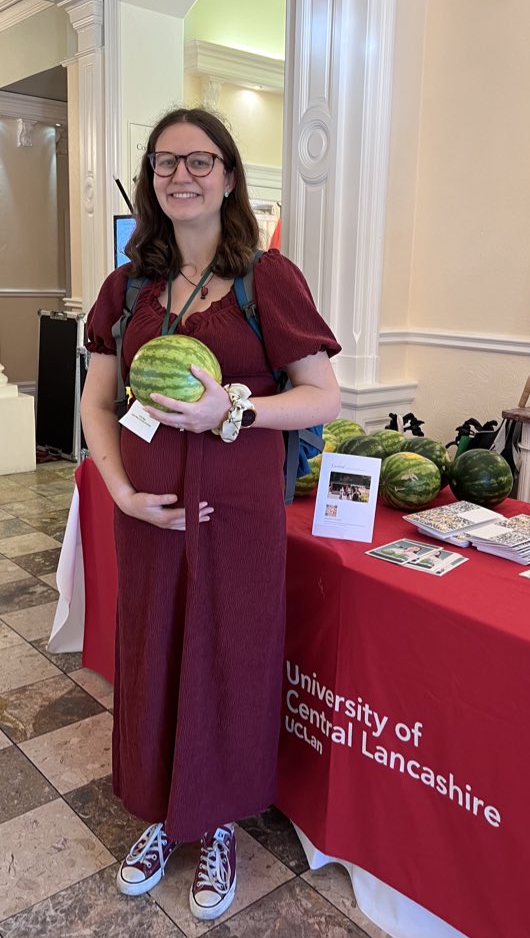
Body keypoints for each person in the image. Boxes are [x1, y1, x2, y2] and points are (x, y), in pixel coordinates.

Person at [80, 107, 341, 922]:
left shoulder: (270, 280)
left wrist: (233, 408)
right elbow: (97, 400)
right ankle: (161, 815)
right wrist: (120, 491)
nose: (180, 176)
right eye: (164, 163)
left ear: (228, 175)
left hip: (240, 516)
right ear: (151, 180)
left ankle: (218, 823)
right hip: (149, 515)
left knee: (231, 657)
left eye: (199, 161)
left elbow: (321, 395)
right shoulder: (126, 289)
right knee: (152, 652)